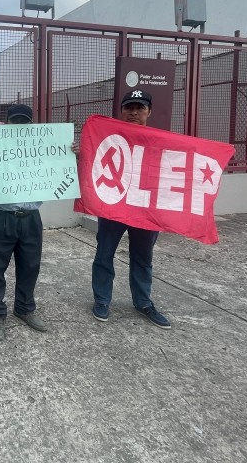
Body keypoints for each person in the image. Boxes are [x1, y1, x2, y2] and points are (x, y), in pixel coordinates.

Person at [74, 89, 171, 330]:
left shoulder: (160, 140)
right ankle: (102, 300)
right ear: (121, 111)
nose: (134, 112)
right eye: (129, 107)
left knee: (143, 258)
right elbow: (96, 161)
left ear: (149, 111)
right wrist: (82, 153)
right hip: (113, 207)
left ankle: (143, 302)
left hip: (145, 210)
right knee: (104, 254)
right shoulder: (109, 137)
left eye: (139, 108)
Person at [0, 103, 48, 341]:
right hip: (2, 216)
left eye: (24, 123)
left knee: (31, 266)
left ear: (30, 126)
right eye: (15, 122)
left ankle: (25, 308)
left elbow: (59, 168)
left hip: (31, 217)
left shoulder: (42, 148)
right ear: (6, 124)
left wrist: (68, 153)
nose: (19, 127)